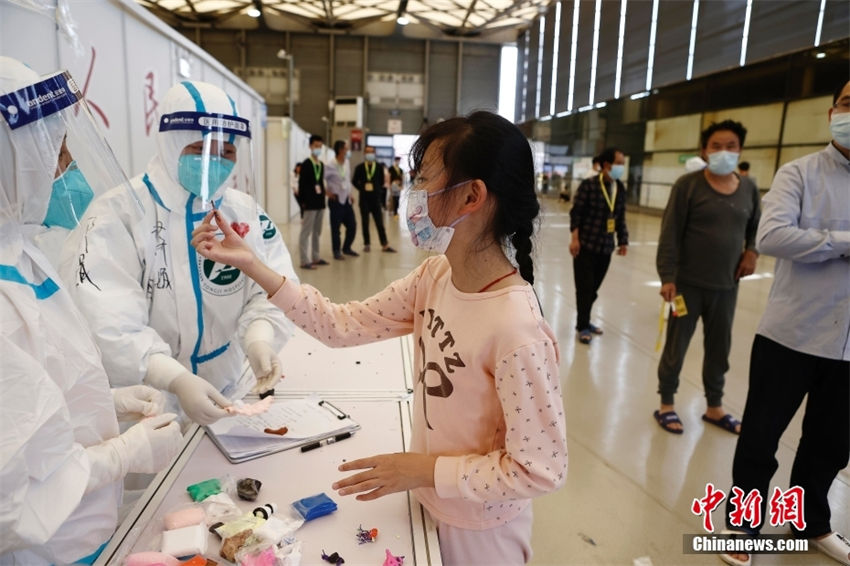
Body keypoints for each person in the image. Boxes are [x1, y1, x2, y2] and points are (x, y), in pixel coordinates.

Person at [192, 111, 567, 566]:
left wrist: (423, 469)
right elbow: (341, 324)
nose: (411, 196)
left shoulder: (516, 328)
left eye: (425, 179)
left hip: (480, 530)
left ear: (472, 195)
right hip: (425, 499)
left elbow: (540, 470)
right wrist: (255, 266)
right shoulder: (435, 276)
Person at [0, 56, 182, 565]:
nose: (67, 168)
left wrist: (106, 399)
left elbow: (37, 390)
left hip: (86, 531)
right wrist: (122, 454)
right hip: (44, 550)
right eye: (55, 152)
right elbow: (11, 505)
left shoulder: (21, 252)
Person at [62, 80, 298, 426]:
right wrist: (175, 379)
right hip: (148, 401)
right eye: (199, 149)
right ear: (171, 143)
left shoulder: (243, 212)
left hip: (230, 387)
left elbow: (275, 285)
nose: (214, 162)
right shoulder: (119, 214)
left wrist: (260, 339)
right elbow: (108, 320)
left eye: (227, 153)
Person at [721, 80, 850, 566]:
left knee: (831, 444)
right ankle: (743, 525)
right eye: (848, 104)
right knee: (761, 436)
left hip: (849, 347)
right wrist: (843, 240)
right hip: (791, 335)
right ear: (832, 111)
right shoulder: (800, 174)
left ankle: (810, 521)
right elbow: (773, 234)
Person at [654, 120, 760, 435]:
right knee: (677, 344)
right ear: (704, 150)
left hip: (727, 286)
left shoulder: (749, 187)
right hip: (686, 285)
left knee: (719, 348)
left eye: (731, 146)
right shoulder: (687, 185)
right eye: (716, 146)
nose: (723, 152)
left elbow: (756, 226)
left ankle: (714, 406)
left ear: (740, 150)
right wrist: (667, 276)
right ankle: (667, 403)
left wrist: (752, 251)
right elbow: (670, 233)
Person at [568, 147, 629, 344]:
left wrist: (623, 240)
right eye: (619, 163)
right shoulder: (589, 185)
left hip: (605, 247)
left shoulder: (620, 188)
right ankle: (583, 326)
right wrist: (575, 239)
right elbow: (576, 213)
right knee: (584, 288)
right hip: (586, 245)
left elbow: (620, 218)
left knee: (593, 289)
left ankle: (585, 320)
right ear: (606, 165)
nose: (622, 167)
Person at [352, 146, 396, 252]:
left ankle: (384, 244)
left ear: (374, 153)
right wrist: (362, 188)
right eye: (367, 152)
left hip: (376, 199)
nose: (370, 154)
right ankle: (367, 244)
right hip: (364, 199)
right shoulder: (360, 167)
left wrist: (376, 189)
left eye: (371, 152)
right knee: (365, 222)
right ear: (364, 153)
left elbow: (381, 181)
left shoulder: (379, 167)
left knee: (379, 222)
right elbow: (354, 181)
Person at [297, 134, 328, 269]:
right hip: (309, 204)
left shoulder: (320, 164)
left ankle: (316, 257)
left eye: (320, 147)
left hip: (320, 203)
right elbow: (301, 185)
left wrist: (323, 201)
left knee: (317, 232)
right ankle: (304, 260)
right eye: (316, 146)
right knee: (306, 232)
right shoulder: (306, 164)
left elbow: (320, 183)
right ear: (310, 146)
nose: (318, 149)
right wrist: (303, 204)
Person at [324, 140, 359, 260]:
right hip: (336, 200)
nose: (348, 150)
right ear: (340, 150)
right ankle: (336, 251)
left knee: (352, 225)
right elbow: (321, 179)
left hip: (346, 200)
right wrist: (327, 192)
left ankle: (346, 248)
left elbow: (347, 180)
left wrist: (351, 194)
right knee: (336, 228)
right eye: (346, 148)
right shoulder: (330, 164)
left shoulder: (346, 162)